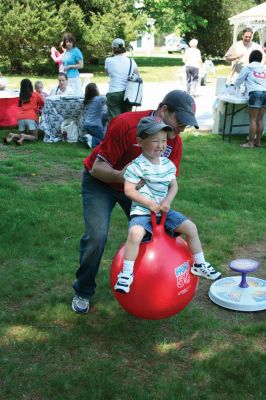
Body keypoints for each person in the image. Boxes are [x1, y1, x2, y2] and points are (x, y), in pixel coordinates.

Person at [71, 90, 214, 314]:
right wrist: (123, 177)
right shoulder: (125, 124)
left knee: (161, 231)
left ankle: (153, 285)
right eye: (179, 121)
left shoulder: (173, 143)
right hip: (102, 182)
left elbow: (168, 182)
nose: (182, 130)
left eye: (186, 125)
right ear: (163, 110)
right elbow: (98, 168)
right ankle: (83, 290)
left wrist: (162, 205)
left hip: (140, 190)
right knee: (97, 236)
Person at [114, 116, 221, 293]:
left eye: (163, 141)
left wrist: (167, 201)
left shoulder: (167, 164)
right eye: (155, 141)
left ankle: (200, 264)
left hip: (163, 211)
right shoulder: (136, 166)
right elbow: (129, 190)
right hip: (142, 212)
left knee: (191, 228)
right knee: (135, 234)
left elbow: (174, 185)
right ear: (140, 142)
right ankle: (126, 275)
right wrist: (150, 204)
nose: (160, 145)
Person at [235, 50, 266, 148]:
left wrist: (235, 86)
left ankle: (250, 143)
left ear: (250, 58)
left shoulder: (248, 67)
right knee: (260, 119)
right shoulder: (264, 67)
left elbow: (239, 80)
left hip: (255, 92)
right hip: (265, 92)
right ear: (260, 59)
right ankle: (258, 142)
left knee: (253, 119)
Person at [105, 38, 139, 119]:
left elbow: (107, 72)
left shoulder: (108, 61)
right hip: (128, 93)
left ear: (113, 48)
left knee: (114, 121)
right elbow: (137, 75)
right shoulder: (131, 61)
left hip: (114, 92)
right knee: (127, 119)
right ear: (124, 48)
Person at [3, 79, 44, 145]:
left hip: (20, 117)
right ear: (31, 86)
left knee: (24, 134)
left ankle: (12, 135)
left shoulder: (21, 96)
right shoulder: (35, 94)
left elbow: (20, 106)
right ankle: (23, 136)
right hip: (30, 117)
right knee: (35, 137)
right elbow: (43, 103)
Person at [82, 82, 107, 148]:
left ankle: (89, 137)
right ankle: (90, 139)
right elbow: (109, 100)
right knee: (103, 141)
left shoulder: (88, 100)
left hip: (86, 125)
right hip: (95, 125)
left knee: (97, 136)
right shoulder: (99, 99)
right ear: (95, 89)